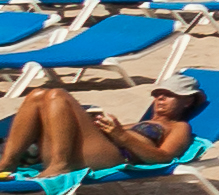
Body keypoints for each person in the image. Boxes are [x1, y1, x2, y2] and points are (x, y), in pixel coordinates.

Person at [4, 71, 205, 175]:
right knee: (37, 95)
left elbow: (163, 158)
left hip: (115, 156)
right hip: (92, 148)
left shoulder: (179, 127)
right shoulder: (142, 121)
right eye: (158, 94)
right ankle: (8, 162)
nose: (160, 98)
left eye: (169, 95)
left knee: (57, 94)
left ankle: (60, 164)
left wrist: (122, 137)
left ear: (187, 101)